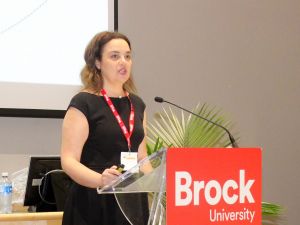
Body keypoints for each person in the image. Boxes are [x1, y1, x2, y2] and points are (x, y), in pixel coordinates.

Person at [60, 31, 149, 225]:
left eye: (127, 56)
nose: (123, 62)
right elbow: (68, 160)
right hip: (93, 200)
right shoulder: (84, 103)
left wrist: (164, 182)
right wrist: (101, 180)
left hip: (132, 202)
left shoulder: (137, 104)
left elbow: (142, 158)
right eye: (115, 56)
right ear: (98, 63)